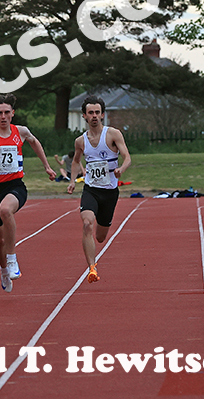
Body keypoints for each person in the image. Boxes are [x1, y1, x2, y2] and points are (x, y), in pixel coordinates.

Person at [0, 93, 56, 292]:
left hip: (15, 186)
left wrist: (47, 166)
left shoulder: (21, 131)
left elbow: (34, 142)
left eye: (7, 112)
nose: (3, 116)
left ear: (13, 113)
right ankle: (4, 269)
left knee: (5, 210)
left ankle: (12, 259)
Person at [66, 95, 131, 284]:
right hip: (91, 190)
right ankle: (92, 268)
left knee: (101, 237)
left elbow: (127, 157)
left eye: (97, 112)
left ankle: (94, 253)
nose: (94, 116)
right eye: (90, 113)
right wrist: (72, 181)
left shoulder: (113, 134)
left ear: (102, 114)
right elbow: (76, 161)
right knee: (87, 224)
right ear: (84, 116)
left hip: (109, 192)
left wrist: (121, 169)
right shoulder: (80, 141)